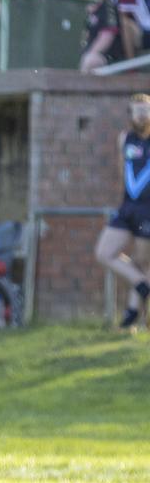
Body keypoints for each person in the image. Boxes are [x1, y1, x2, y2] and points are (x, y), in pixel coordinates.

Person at [94, 94, 150, 328]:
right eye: (136, 110)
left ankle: (133, 315)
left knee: (144, 262)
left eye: (145, 110)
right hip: (128, 207)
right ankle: (141, 285)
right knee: (104, 253)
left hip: (148, 210)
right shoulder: (124, 139)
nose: (141, 114)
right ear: (130, 115)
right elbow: (122, 171)